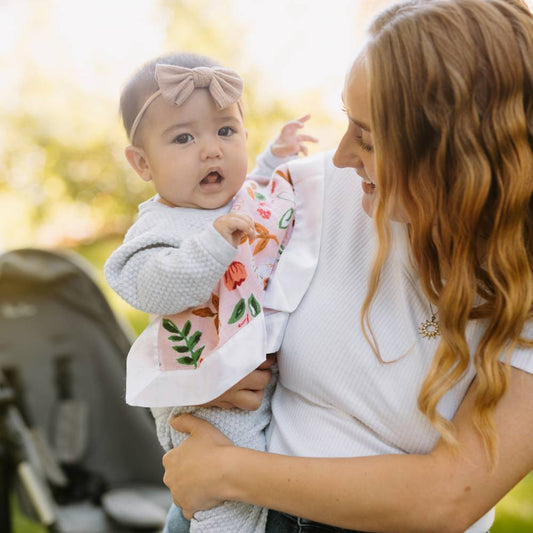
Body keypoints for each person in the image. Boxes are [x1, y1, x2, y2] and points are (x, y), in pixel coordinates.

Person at [159, 1, 533, 532]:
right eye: (348, 122)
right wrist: (200, 373)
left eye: (371, 139)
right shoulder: (310, 197)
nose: (340, 156)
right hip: (237, 516)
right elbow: (173, 282)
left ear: (459, 156)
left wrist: (228, 471)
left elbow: (450, 497)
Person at [104, 52, 321, 532]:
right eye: (183, 137)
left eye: (225, 131)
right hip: (205, 400)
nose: (211, 150)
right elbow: (149, 285)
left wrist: (275, 158)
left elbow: (260, 192)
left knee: (252, 489)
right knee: (222, 507)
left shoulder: (236, 199)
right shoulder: (161, 224)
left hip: (254, 384)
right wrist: (212, 246)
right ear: (142, 163)